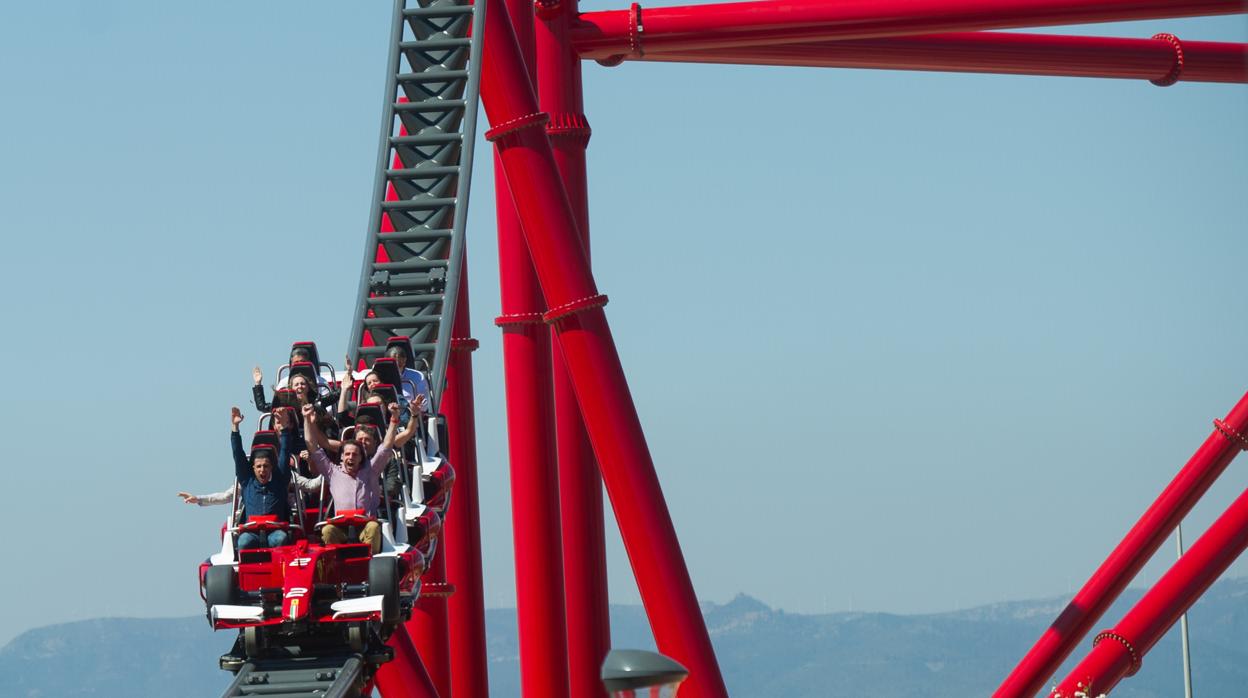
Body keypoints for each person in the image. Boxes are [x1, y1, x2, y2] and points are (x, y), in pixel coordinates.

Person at [302, 402, 398, 553]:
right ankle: (334, 566)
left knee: (373, 528)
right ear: (341, 457)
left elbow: (386, 446)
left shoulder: (371, 470)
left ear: (361, 458)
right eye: (347, 454)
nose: (351, 457)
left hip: (365, 525)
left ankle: (368, 565)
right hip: (340, 528)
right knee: (327, 531)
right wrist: (307, 419)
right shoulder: (332, 472)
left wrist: (394, 419)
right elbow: (311, 444)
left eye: (355, 454)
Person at [230, 406, 294, 549]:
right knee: (244, 541)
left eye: (265, 466)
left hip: (275, 531)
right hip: (252, 533)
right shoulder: (248, 482)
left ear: (271, 467)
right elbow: (238, 455)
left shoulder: (280, 480)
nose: (262, 470)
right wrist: (235, 428)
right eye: (258, 467)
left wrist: (284, 428)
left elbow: (284, 452)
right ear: (253, 468)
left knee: (280, 539)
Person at [385, 343, 431, 415]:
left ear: (404, 361)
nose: (396, 367)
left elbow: (424, 406)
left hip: (409, 414)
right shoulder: (377, 376)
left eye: (399, 364)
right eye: (393, 364)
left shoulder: (417, 376)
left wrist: (413, 405)